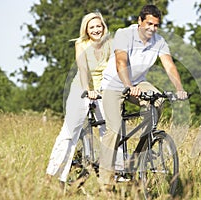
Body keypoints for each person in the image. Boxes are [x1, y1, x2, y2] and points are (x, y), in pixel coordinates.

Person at [99, 5, 188, 187]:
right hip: (114, 83)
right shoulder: (124, 34)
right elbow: (121, 61)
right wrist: (128, 85)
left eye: (156, 25)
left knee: (158, 100)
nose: (152, 29)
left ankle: (136, 160)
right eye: (149, 24)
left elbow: (169, 66)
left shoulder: (159, 41)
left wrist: (179, 88)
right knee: (115, 128)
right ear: (140, 21)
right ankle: (105, 183)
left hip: (138, 82)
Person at [46, 12, 111, 188]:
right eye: (92, 27)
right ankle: (53, 176)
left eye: (99, 26)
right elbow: (82, 69)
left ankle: (111, 175)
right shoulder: (81, 44)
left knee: (110, 130)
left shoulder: (110, 44)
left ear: (103, 27)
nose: (96, 30)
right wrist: (87, 90)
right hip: (81, 89)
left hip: (102, 90)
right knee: (70, 132)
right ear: (86, 30)